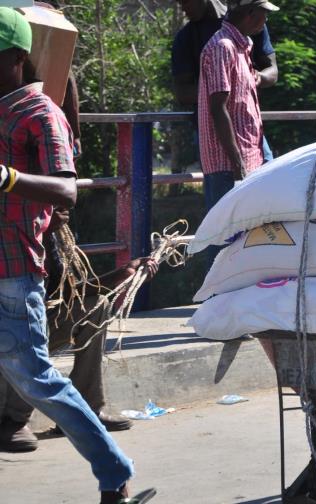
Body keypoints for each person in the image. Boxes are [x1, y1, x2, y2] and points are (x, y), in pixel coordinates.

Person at [0, 8, 153, 502]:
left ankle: (114, 470)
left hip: (14, 274)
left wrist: (8, 178)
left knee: (38, 381)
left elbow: (67, 192)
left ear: (17, 58)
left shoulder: (41, 115)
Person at [0, 208, 159, 452]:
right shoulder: (10, 230)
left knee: (95, 307)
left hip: (32, 323)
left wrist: (123, 273)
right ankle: (12, 420)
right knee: (26, 322)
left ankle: (88, 405)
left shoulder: (53, 237)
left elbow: (67, 292)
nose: (65, 209)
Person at [196, 0, 277, 269]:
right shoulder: (222, 47)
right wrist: (237, 163)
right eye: (264, 15)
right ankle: (215, 301)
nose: (265, 21)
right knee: (223, 232)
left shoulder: (242, 47)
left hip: (250, 153)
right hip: (227, 162)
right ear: (251, 13)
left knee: (251, 228)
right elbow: (218, 108)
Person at [172, 0, 279, 161]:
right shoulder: (186, 38)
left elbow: (272, 71)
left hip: (249, 128)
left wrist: (258, 77)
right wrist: (223, 87)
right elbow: (182, 93)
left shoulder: (252, 21)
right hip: (212, 134)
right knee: (225, 182)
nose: (182, 7)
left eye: (186, 1)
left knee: (266, 178)